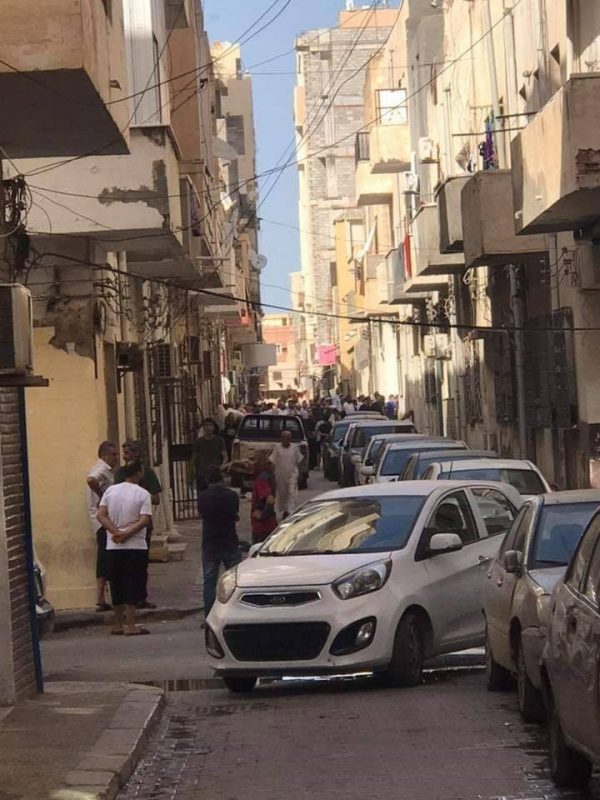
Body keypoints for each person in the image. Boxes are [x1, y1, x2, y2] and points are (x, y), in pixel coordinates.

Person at [96, 461, 153, 636]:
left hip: (113, 545)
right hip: (136, 545)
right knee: (132, 584)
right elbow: (144, 520)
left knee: (116, 583)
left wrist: (115, 532)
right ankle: (131, 625)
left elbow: (101, 515)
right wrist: (127, 534)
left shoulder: (110, 491)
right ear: (139, 473)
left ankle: (117, 624)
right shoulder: (143, 493)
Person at [114, 440, 162, 610]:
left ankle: (140, 597)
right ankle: (126, 599)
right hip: (123, 523)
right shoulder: (120, 473)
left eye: (127, 453)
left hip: (142, 526)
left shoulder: (147, 473)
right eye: (124, 453)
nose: (124, 456)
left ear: (136, 453)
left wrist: (140, 494)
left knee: (141, 564)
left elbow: (156, 498)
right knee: (122, 565)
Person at [197, 466, 242, 615]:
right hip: (229, 541)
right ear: (222, 479)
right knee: (235, 581)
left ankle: (210, 615)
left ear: (207, 480)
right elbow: (235, 514)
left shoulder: (203, 497)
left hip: (210, 542)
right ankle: (234, 612)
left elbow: (202, 515)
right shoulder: (232, 496)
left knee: (209, 583)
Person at [86, 441, 119, 612]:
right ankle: (101, 597)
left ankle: (103, 597)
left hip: (101, 519)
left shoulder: (104, 469)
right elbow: (91, 480)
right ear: (104, 455)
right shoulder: (102, 469)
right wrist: (103, 496)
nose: (116, 458)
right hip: (101, 521)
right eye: (113, 454)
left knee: (105, 557)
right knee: (106, 558)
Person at [270, 431, 304, 519]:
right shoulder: (277, 448)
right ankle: (284, 511)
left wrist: (301, 473)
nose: (286, 440)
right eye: (284, 438)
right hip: (280, 475)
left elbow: (299, 460)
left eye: (288, 439)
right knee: (282, 494)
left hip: (292, 474)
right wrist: (271, 475)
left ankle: (290, 511)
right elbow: (272, 461)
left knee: (291, 492)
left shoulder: (295, 448)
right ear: (281, 439)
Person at [193, 418, 227, 501]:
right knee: (203, 498)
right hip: (202, 474)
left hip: (215, 474)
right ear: (203, 427)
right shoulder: (199, 442)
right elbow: (195, 457)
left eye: (210, 425)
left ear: (214, 427)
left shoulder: (219, 440)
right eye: (206, 425)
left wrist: (223, 465)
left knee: (218, 499)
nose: (208, 428)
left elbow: (225, 456)